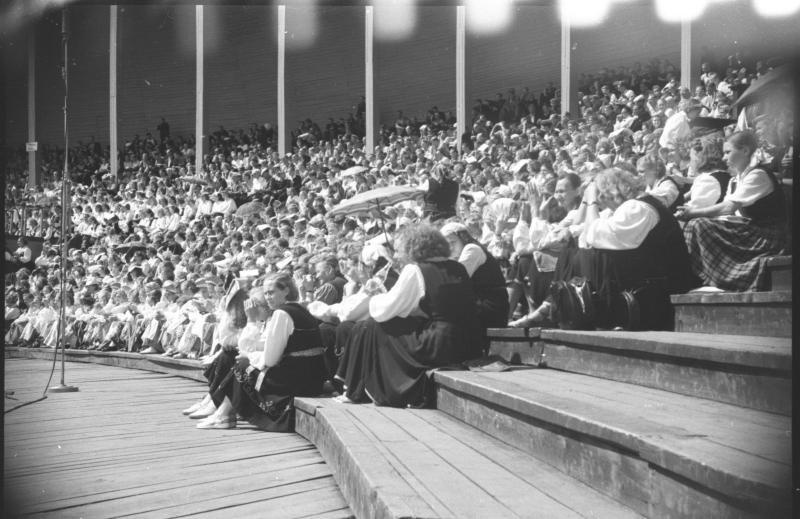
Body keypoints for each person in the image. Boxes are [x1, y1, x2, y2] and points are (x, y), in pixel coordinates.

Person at [515, 167, 695, 329]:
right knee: (571, 249)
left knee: (592, 254)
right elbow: (584, 230)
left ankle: (559, 307)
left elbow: (596, 235)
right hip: (645, 279)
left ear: (613, 191)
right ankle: (553, 304)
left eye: (602, 195)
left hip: (659, 287)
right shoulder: (627, 207)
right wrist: (564, 228)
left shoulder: (639, 208)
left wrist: (591, 202)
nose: (600, 201)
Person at [335, 224, 479, 408]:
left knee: (370, 326)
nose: (395, 255)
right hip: (468, 342)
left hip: (437, 345)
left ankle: (363, 388)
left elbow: (384, 311)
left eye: (398, 250)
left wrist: (375, 295)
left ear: (413, 248)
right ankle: (356, 387)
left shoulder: (416, 270)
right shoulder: (457, 267)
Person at [196, 273, 326, 430]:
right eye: (265, 293)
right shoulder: (300, 309)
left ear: (285, 290)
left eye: (271, 292)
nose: (268, 297)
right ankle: (220, 410)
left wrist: (249, 354)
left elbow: (270, 360)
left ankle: (223, 414)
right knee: (241, 360)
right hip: (312, 378)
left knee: (242, 365)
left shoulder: (282, 313)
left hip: (296, 380)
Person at [676, 131, 786, 291]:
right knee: (697, 224)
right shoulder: (734, 180)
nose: (723, 158)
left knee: (698, 224)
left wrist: (693, 213)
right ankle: (703, 278)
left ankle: (719, 280)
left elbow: (728, 207)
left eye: (728, 152)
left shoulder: (758, 175)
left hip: (766, 235)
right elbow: (729, 214)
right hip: (749, 230)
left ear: (745, 151)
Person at [440, 221, 508, 335]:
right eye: (446, 244)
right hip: (482, 304)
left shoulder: (472, 249)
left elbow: (457, 280)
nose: (450, 247)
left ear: (463, 238)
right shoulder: (458, 255)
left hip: (491, 306)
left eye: (453, 242)